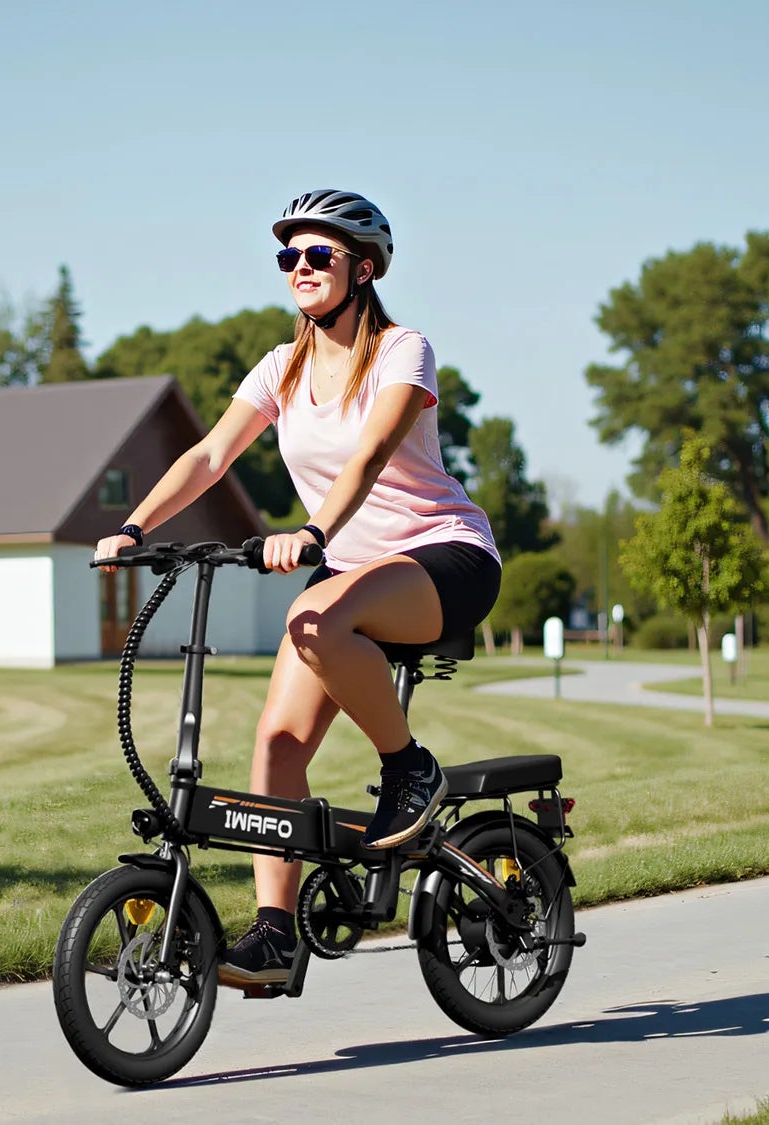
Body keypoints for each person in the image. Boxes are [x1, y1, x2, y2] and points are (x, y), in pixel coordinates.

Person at [93, 189, 502, 989]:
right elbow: (211, 456)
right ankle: (277, 936)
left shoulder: (400, 350)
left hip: (441, 557)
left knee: (311, 612)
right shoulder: (281, 368)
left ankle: (409, 768)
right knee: (276, 744)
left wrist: (314, 532)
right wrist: (134, 527)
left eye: (319, 255)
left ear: (364, 267)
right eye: (289, 257)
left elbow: (374, 451)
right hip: (348, 571)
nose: (301, 268)